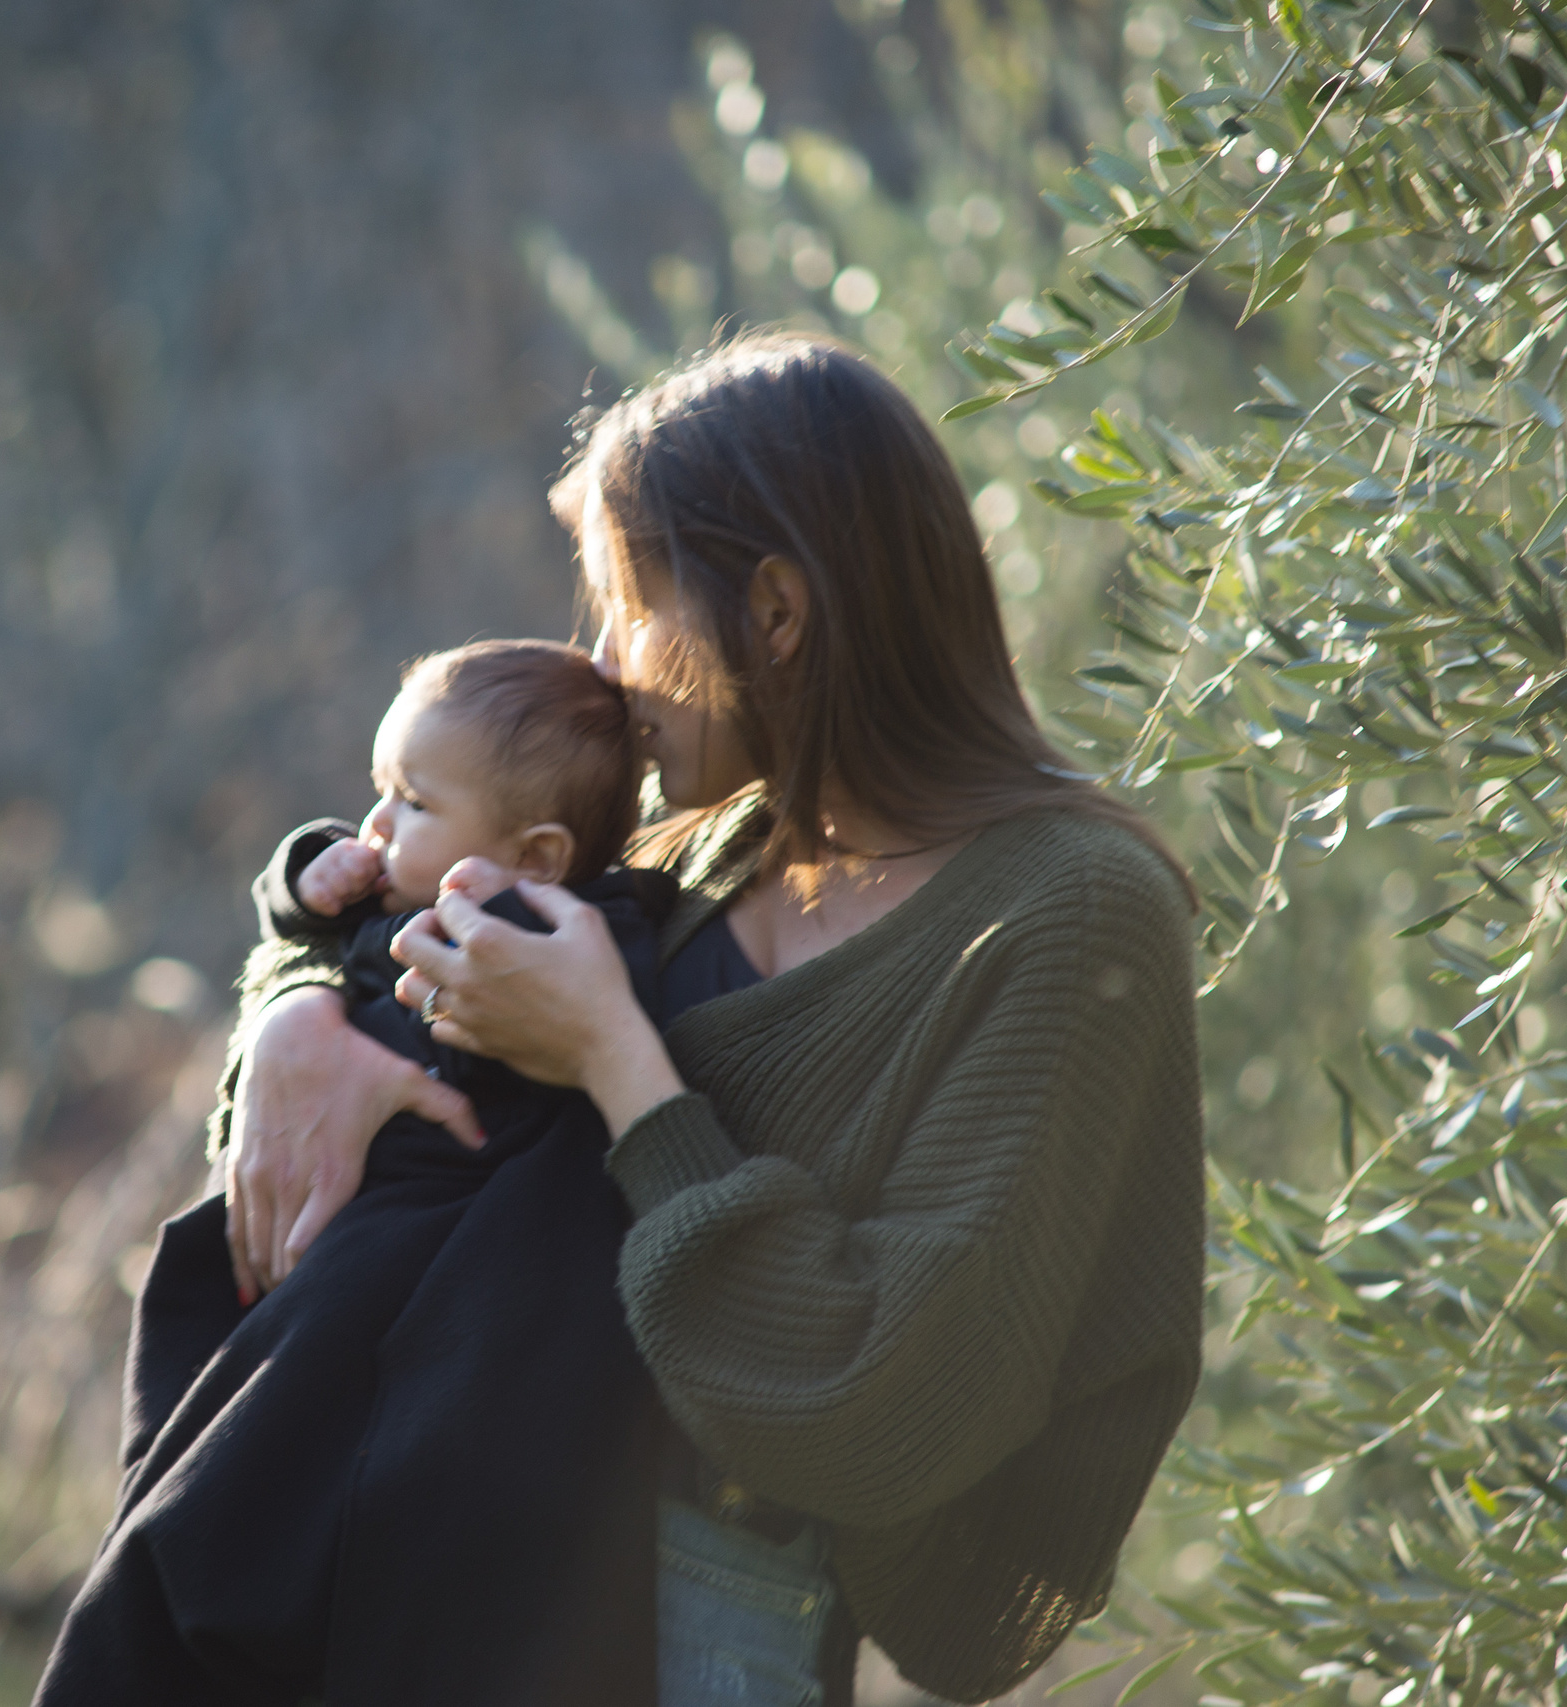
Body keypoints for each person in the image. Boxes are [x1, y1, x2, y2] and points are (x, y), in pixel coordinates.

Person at [216, 331, 1206, 1706]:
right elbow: (381, 1002)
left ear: (780, 613)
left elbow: (881, 1406)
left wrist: (618, 1063)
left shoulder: (1066, 913)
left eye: (630, 605)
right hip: (418, 1552)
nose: (608, 666)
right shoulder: (695, 854)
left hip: (693, 1628)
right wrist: (295, 1008)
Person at [34, 640, 682, 1707]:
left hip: (401, 1278)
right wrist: (307, 885)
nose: (375, 827)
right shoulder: (415, 891)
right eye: (379, 790)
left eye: (412, 803)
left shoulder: (536, 940)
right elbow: (309, 930)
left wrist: (348, 944)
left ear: (540, 855)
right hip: (333, 1250)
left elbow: (436, 999)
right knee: (190, 1483)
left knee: (218, 1521)